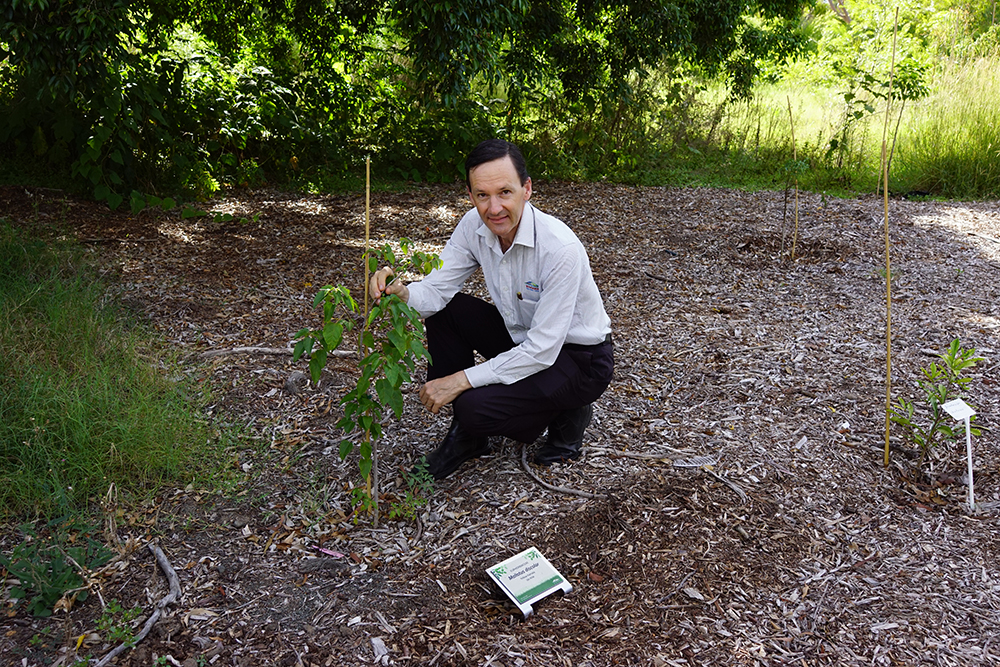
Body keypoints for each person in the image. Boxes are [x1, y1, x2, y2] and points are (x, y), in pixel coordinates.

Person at [368, 139, 614, 479]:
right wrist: (402, 294)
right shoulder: (473, 225)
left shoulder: (560, 249)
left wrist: (460, 381)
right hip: (524, 339)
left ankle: (565, 409)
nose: (494, 208)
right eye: (482, 195)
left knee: (472, 406)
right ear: (470, 195)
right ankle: (468, 438)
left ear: (527, 189)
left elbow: (542, 350)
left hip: (578, 359)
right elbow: (438, 290)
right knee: (447, 310)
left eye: (505, 192)